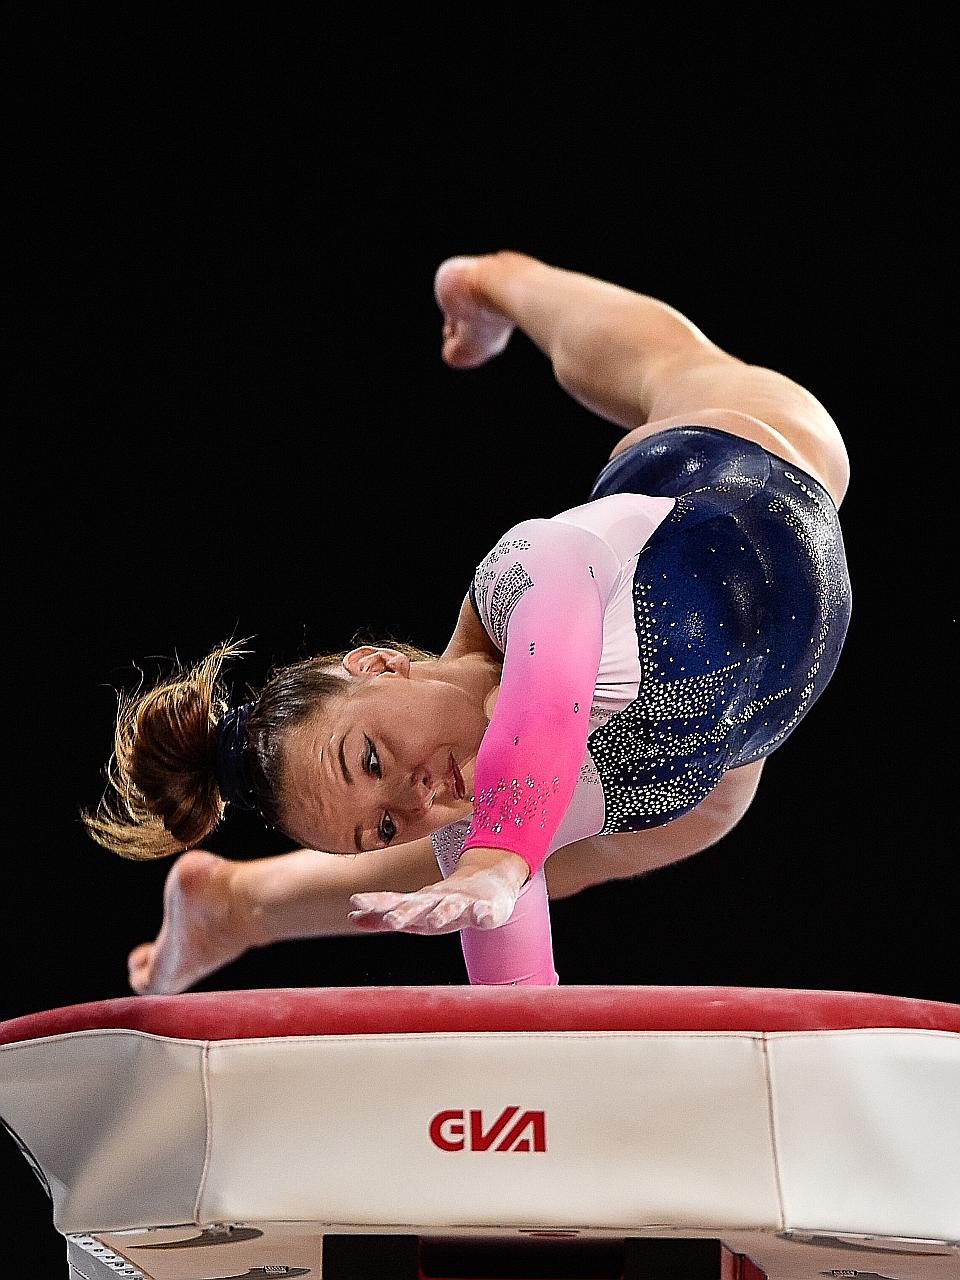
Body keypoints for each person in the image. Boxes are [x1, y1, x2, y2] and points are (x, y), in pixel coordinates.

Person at [83, 249, 851, 991]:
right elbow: (516, 999)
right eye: (385, 829)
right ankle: (234, 908)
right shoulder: (474, 836)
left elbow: (546, 696)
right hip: (718, 766)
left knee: (672, 368)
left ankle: (495, 282)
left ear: (377, 664)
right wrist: (491, 886)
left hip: (739, 462)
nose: (416, 798)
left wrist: (497, 861)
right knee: (525, 857)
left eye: (371, 759)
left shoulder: (526, 570)